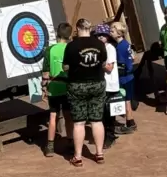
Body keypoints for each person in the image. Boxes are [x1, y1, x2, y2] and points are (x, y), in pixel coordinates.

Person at [63, 19, 107, 167]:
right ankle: (99, 154)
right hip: (97, 83)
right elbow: (103, 63)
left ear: (77, 29)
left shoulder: (71, 46)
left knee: (79, 122)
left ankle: (78, 156)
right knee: (97, 120)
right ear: (89, 29)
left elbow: (65, 67)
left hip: (77, 85)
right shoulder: (100, 44)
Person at [41, 22, 73, 157]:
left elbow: (45, 74)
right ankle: (71, 143)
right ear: (69, 35)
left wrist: (44, 89)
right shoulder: (71, 48)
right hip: (67, 87)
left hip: (54, 87)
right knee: (68, 116)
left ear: (57, 34)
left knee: (53, 116)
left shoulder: (49, 50)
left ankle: (50, 146)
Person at [93, 23, 120, 148]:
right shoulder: (98, 48)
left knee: (109, 113)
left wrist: (97, 63)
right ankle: (105, 136)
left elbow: (109, 68)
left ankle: (110, 136)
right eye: (98, 36)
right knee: (102, 113)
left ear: (107, 37)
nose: (100, 38)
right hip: (102, 85)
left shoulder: (110, 48)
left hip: (110, 85)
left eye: (103, 36)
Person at [111, 22, 137, 134]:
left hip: (125, 78)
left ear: (119, 33)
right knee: (127, 100)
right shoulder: (126, 44)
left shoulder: (120, 47)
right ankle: (130, 121)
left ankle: (130, 122)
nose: (110, 33)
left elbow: (123, 64)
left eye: (112, 31)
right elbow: (133, 58)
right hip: (128, 76)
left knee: (125, 100)